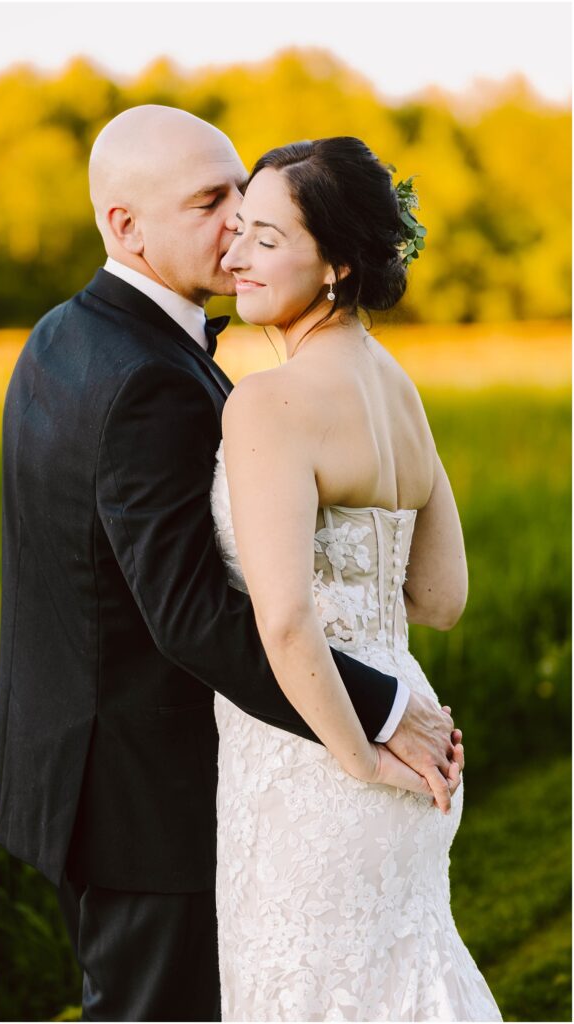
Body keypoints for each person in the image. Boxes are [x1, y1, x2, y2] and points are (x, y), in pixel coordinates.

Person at [0, 106, 463, 1022]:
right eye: (211, 201)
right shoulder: (151, 378)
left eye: (244, 194)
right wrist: (383, 709)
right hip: (147, 799)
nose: (239, 219)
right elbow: (194, 613)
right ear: (125, 225)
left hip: (92, 775)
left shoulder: (63, 333)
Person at [211, 137, 502, 1021]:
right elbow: (441, 599)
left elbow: (286, 622)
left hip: (322, 764)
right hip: (418, 728)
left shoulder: (267, 401)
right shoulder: (398, 388)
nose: (234, 255)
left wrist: (359, 757)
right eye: (238, 230)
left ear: (338, 264)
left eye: (266, 238)